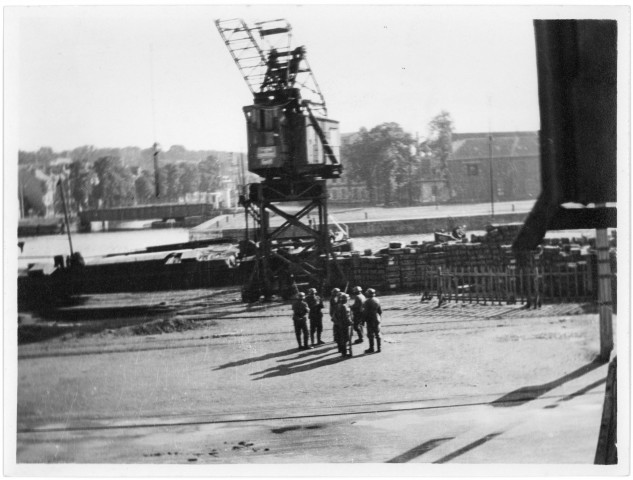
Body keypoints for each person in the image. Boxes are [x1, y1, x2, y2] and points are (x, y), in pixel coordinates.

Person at [363, 288, 383, 353]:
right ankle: (379, 348)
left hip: (370, 319)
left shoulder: (366, 301)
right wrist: (379, 318)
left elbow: (365, 312)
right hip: (377, 318)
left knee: (370, 334)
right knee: (378, 333)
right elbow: (380, 311)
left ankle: (371, 348)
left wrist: (363, 320)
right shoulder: (377, 300)